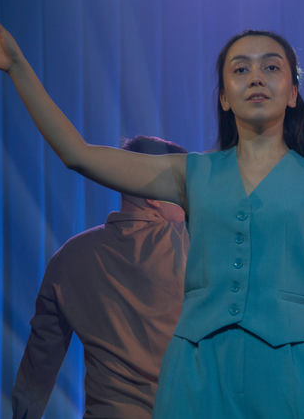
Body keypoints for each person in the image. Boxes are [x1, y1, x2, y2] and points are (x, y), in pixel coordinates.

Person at [0, 13, 304, 417]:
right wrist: (18, 68)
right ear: (223, 97)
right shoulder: (193, 174)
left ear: (293, 93)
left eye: (271, 67)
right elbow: (79, 155)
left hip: (291, 371)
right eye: (240, 69)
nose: (256, 78)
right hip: (199, 372)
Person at [12, 136, 189, 419]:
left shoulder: (68, 257)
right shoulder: (189, 244)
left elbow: (38, 365)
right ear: (155, 195)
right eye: (185, 189)